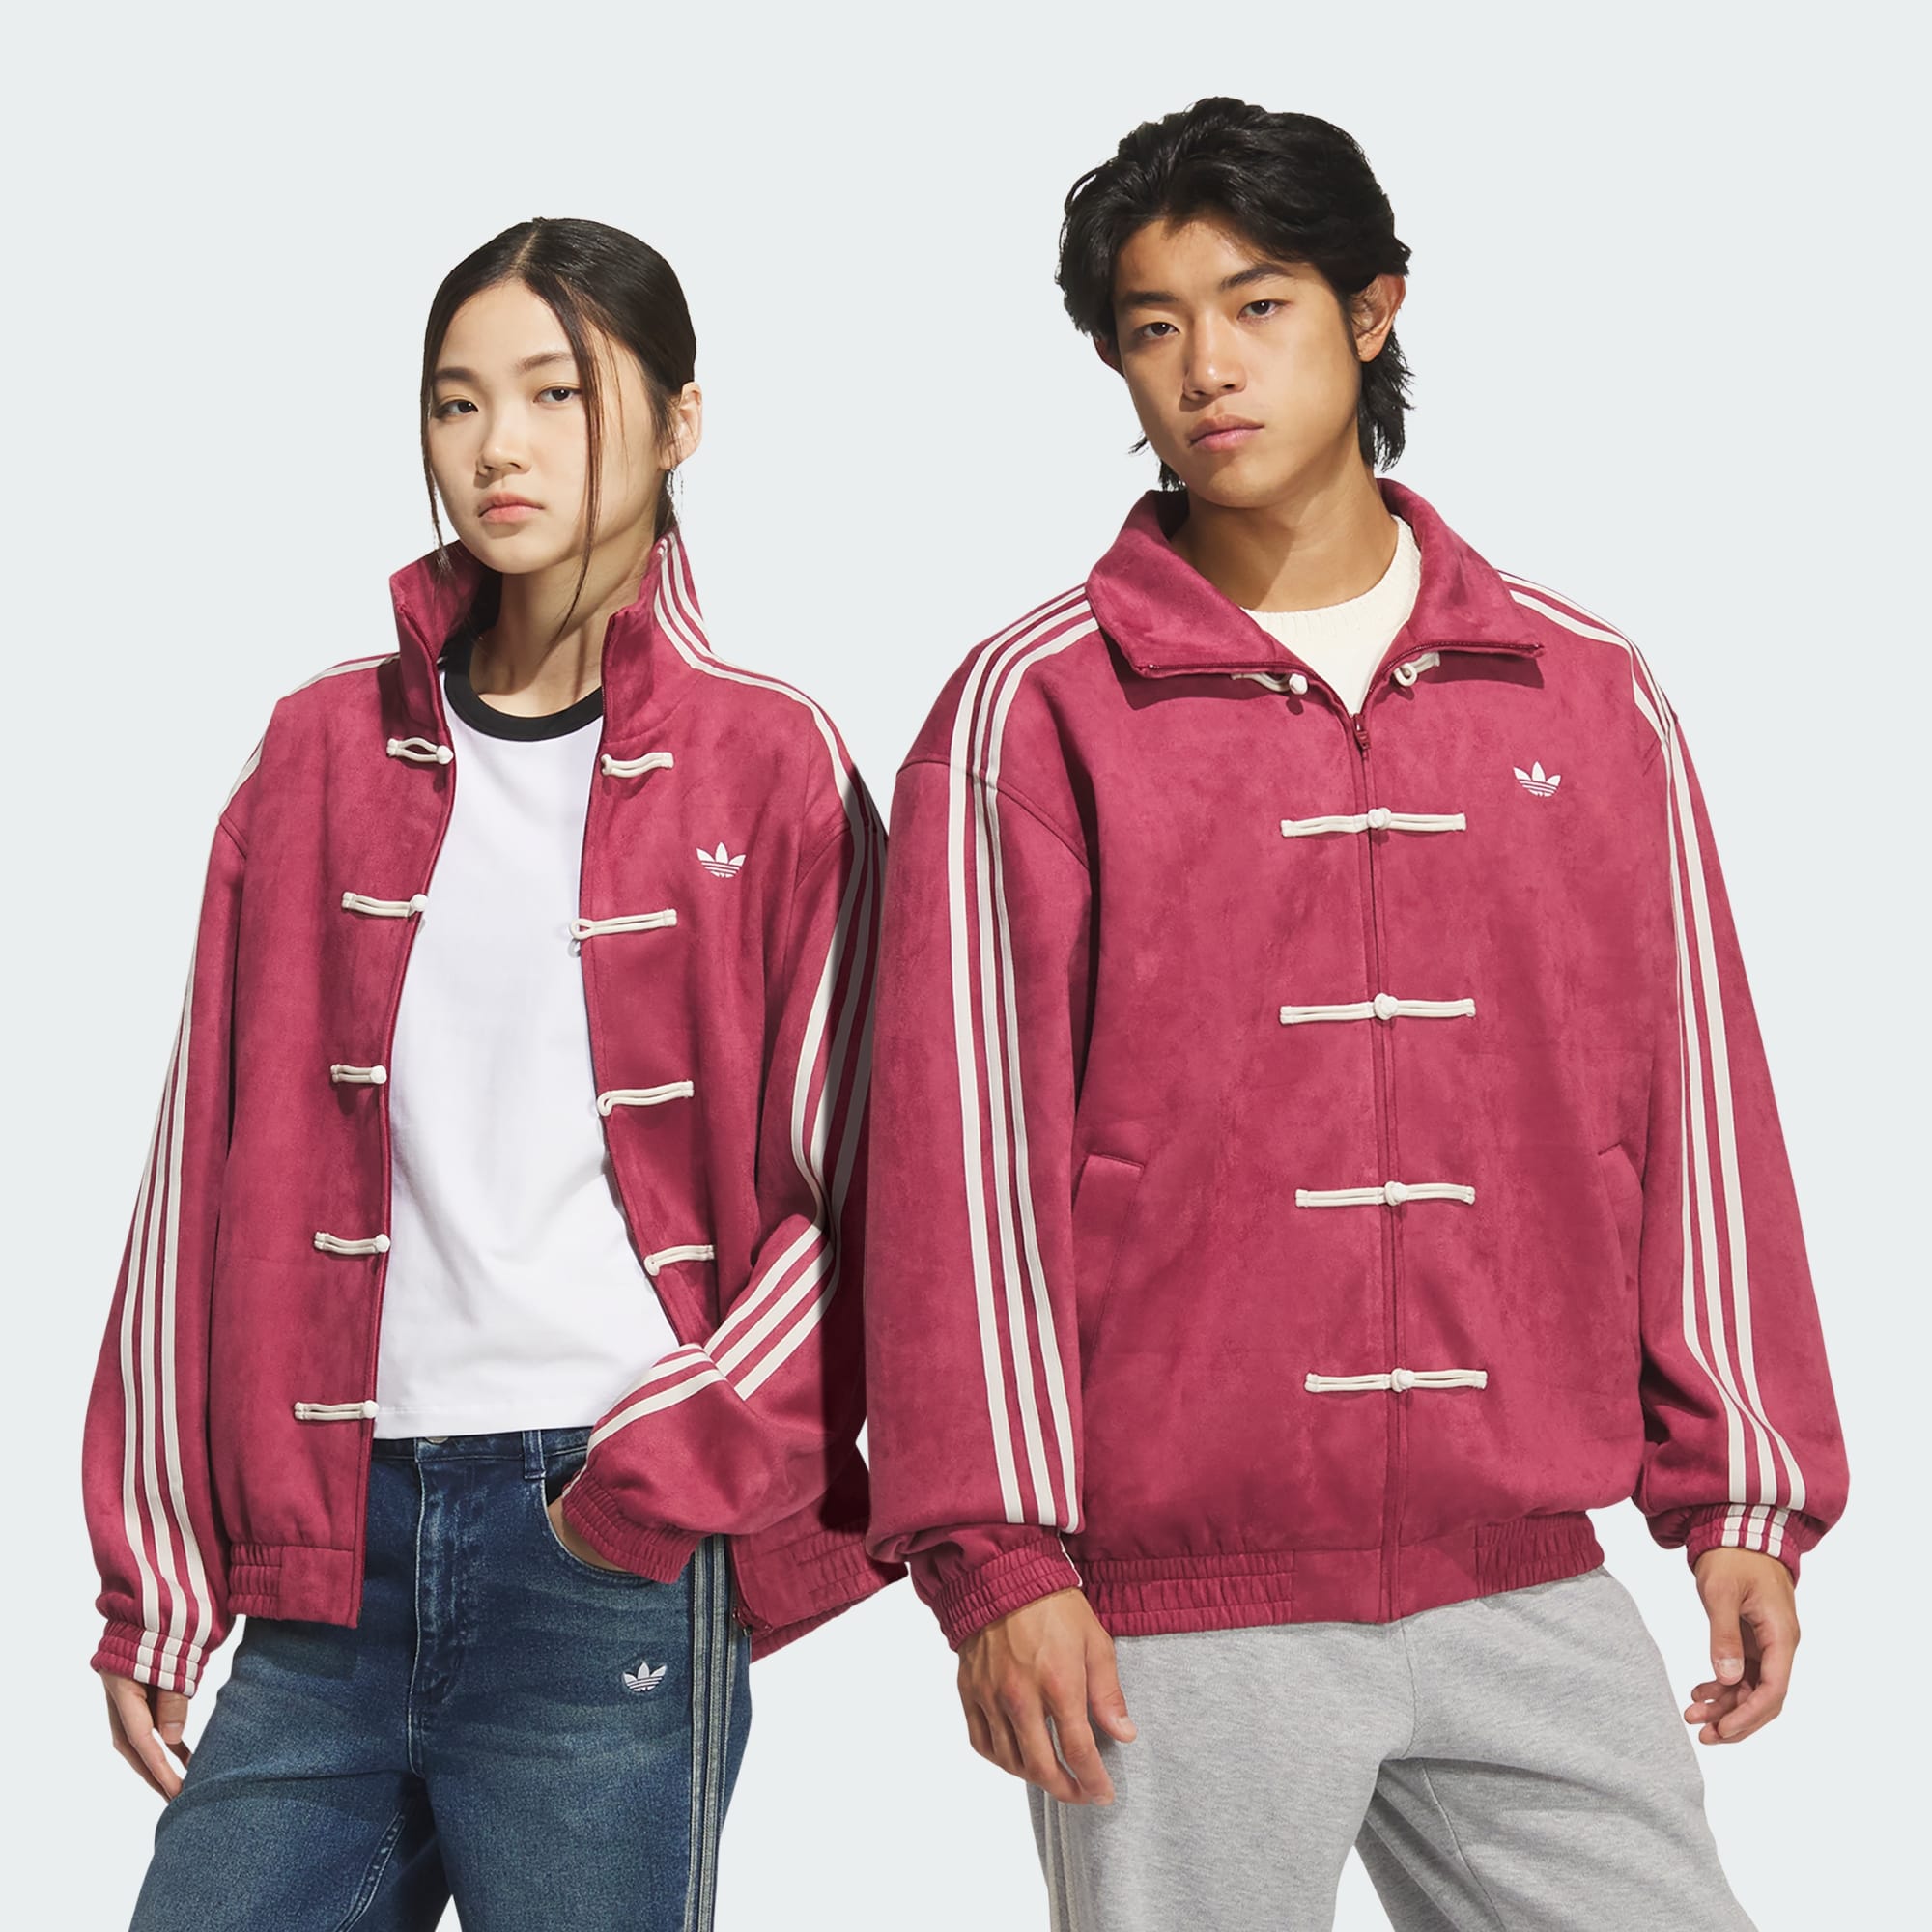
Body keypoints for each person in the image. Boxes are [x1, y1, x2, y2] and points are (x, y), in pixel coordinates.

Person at [861, 99, 1848, 1931]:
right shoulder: (1037, 710)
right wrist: (999, 1564)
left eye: (1258, 307)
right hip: (1174, 1609)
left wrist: (1743, 1495)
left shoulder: (1580, 692)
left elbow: (1697, 1098)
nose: (1206, 370)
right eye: (1154, 328)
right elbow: (957, 1179)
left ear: (1373, 310)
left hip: (1522, 1576)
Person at [82, 215, 895, 1931]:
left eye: (555, 393)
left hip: (601, 1538)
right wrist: (158, 1566)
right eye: (457, 402)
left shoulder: (773, 762)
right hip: (329, 1549)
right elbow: (200, 1168)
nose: (498, 446)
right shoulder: (317, 750)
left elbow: (874, 1196)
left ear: (680, 422)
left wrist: (664, 1465)